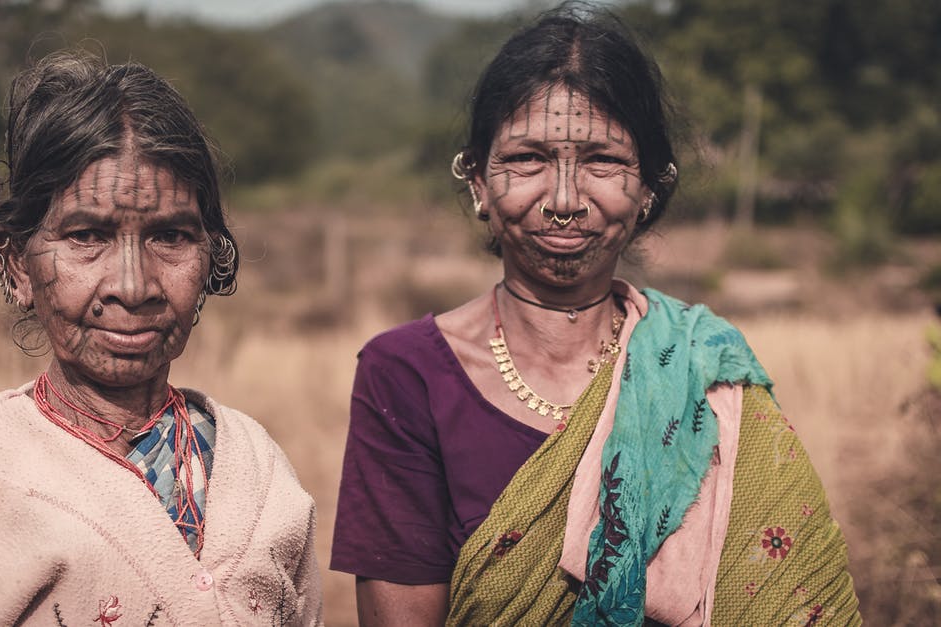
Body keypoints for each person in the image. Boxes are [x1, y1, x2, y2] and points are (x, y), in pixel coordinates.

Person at [330, 6, 859, 626]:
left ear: (649, 189)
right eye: (526, 158)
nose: (562, 200)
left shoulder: (705, 367)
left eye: (602, 162)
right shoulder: (407, 373)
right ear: (477, 179)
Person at [0, 51, 322, 626]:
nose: (133, 287)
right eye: (86, 235)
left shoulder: (259, 470)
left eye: (172, 236)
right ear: (18, 266)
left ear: (210, 255)